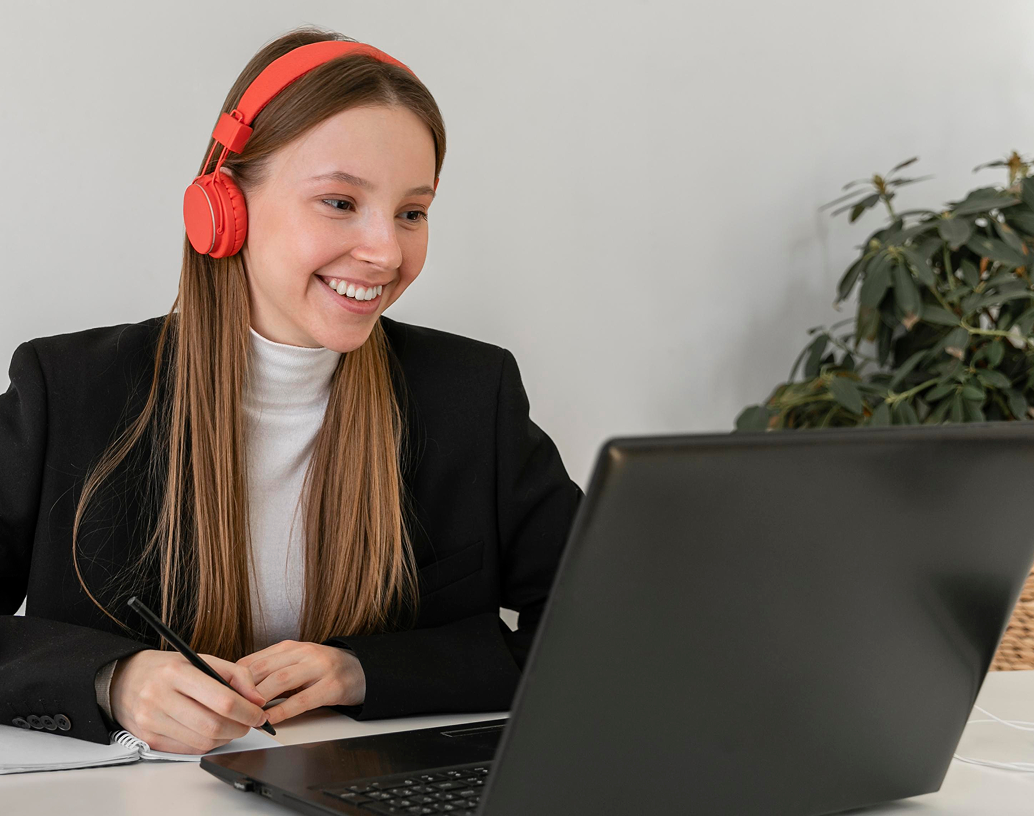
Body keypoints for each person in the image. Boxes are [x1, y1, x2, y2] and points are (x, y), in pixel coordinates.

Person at [0, 26, 583, 755]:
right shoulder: (69, 390)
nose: (387, 252)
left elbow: (598, 629)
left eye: (412, 211)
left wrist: (363, 671)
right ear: (222, 207)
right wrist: (109, 679)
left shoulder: (472, 394)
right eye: (340, 202)